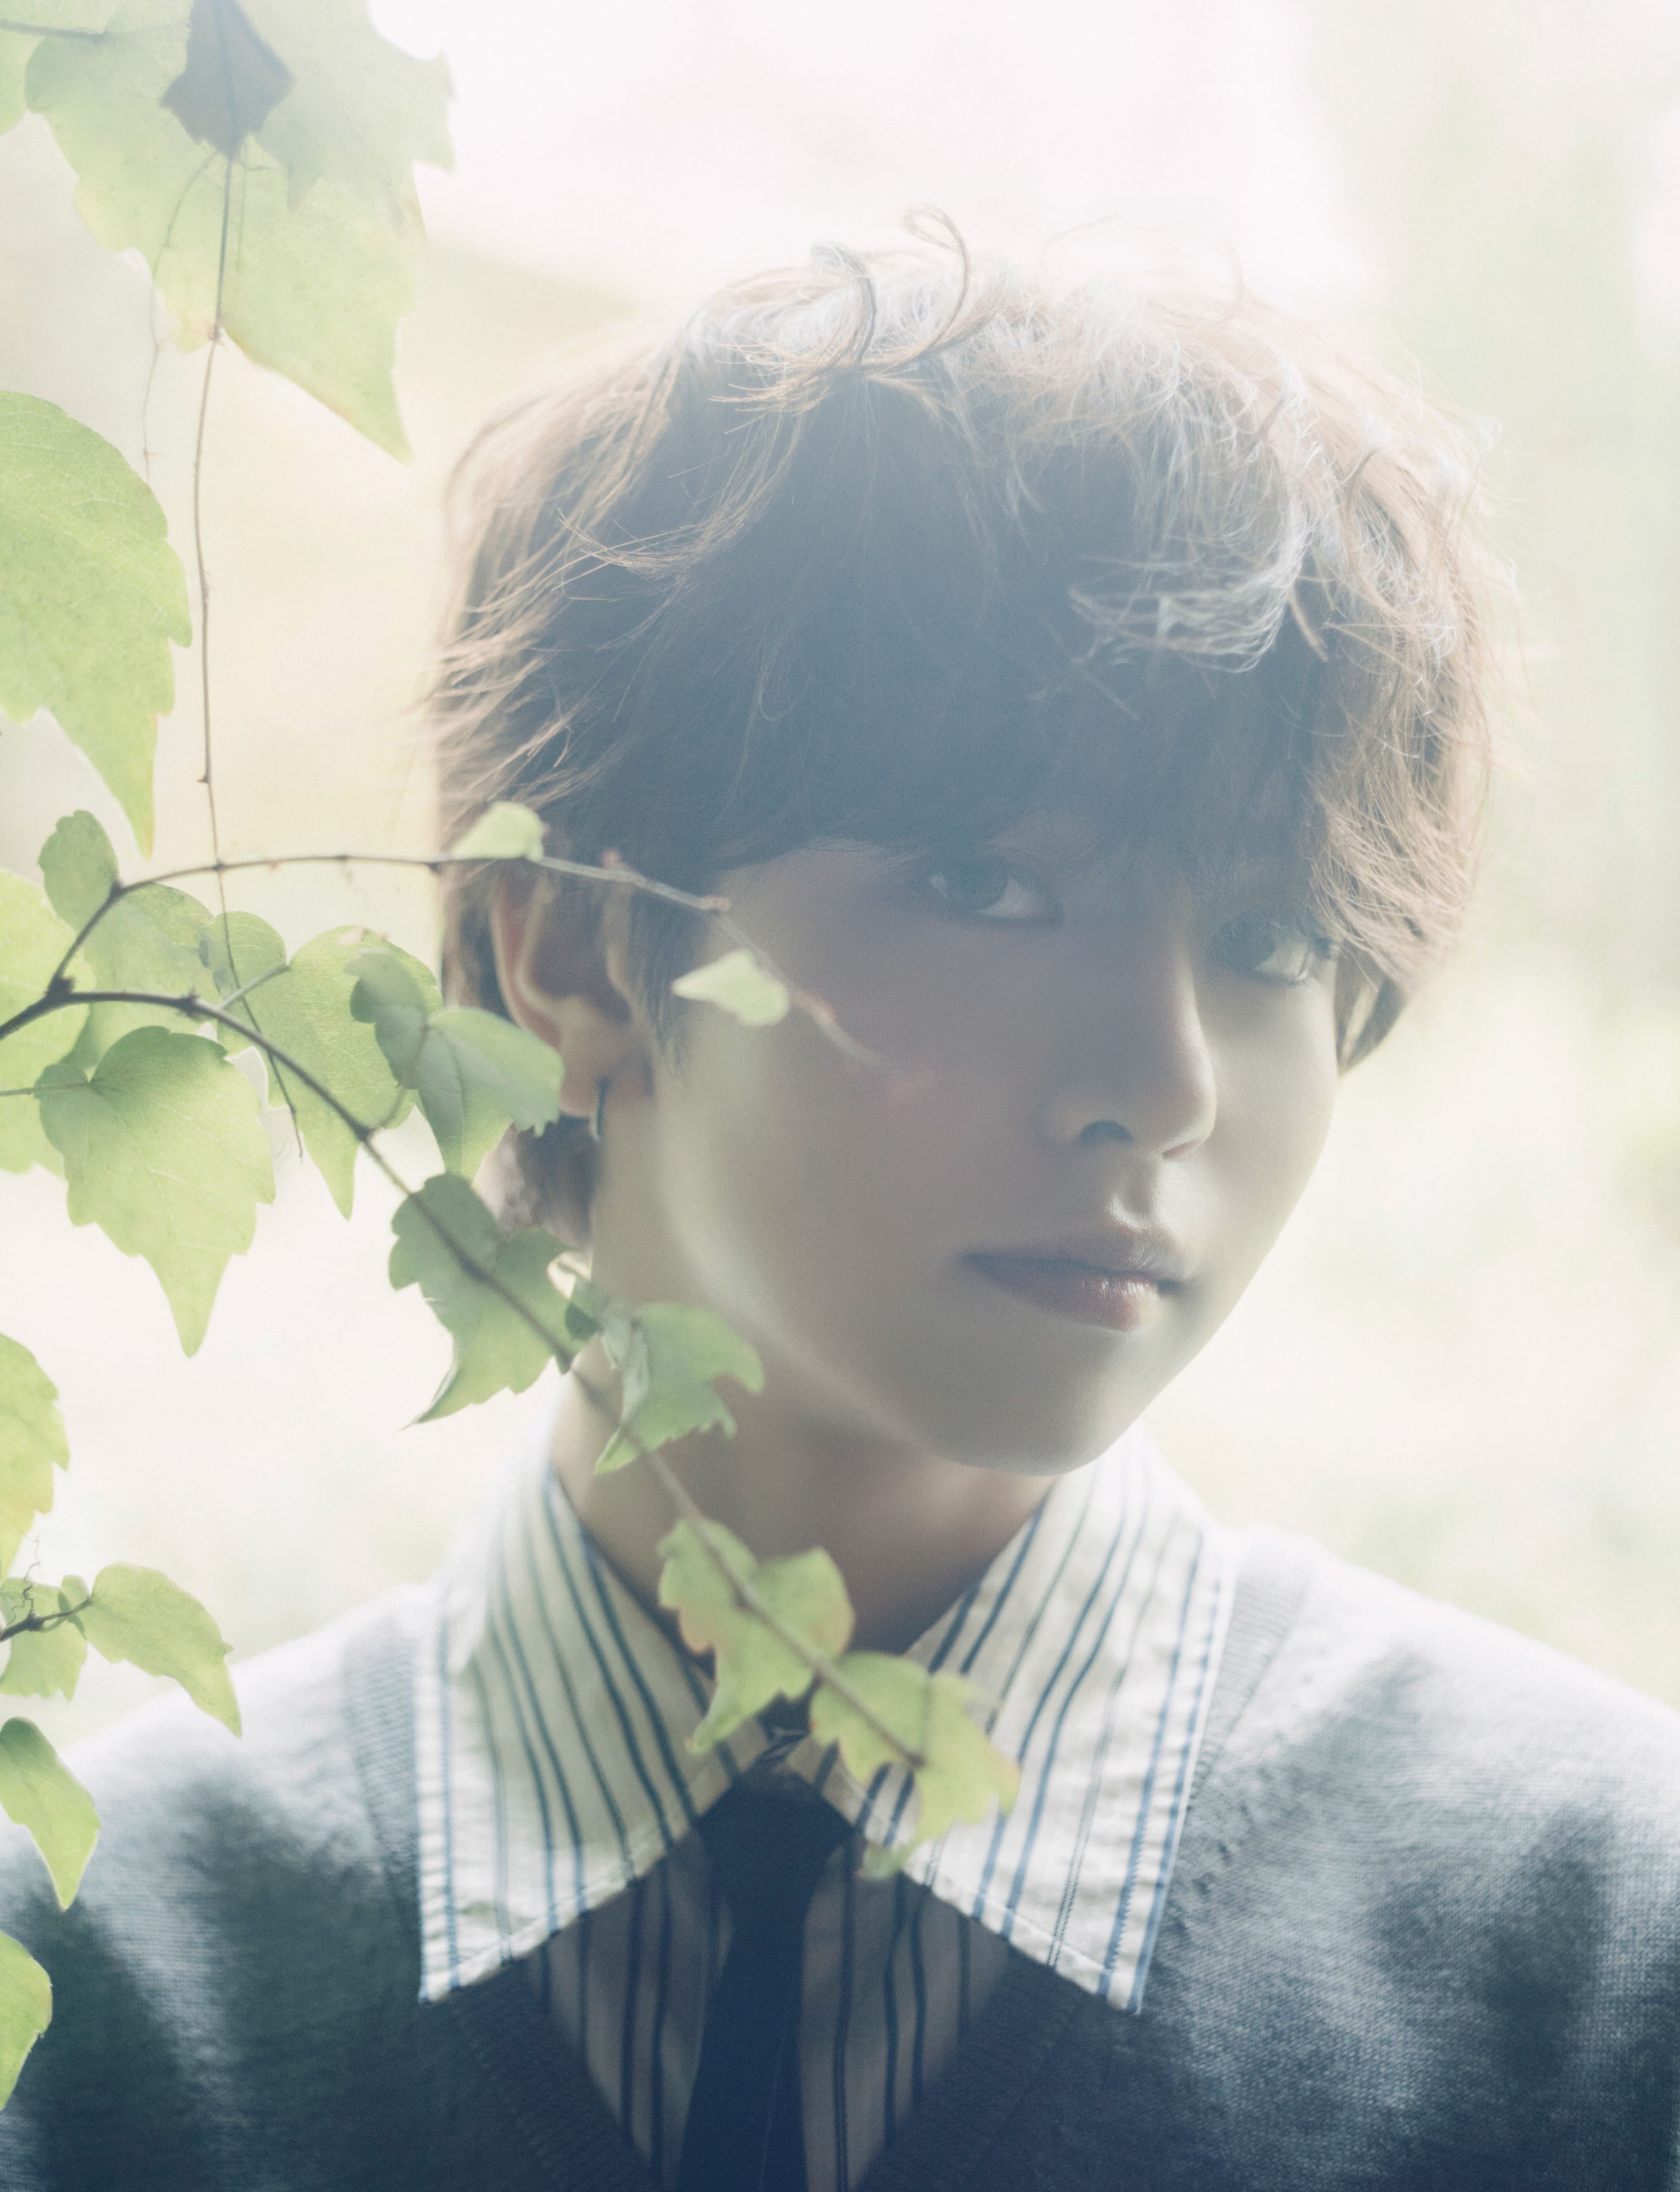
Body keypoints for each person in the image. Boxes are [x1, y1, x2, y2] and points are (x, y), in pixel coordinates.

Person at [2, 235, 1677, 2192]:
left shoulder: (1596, 1957)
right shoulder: (90, 1991)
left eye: (1274, 937)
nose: (1165, 1080)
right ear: (572, 949)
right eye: (985, 886)